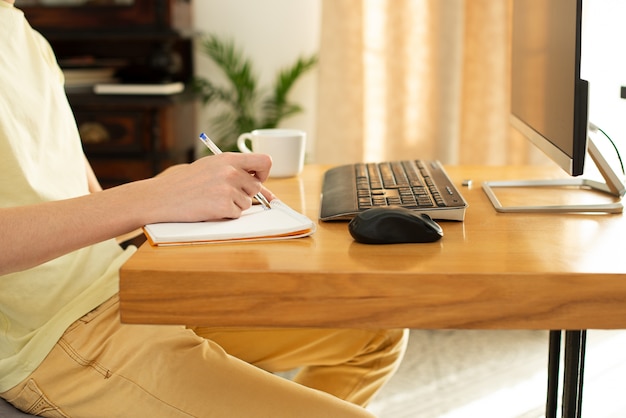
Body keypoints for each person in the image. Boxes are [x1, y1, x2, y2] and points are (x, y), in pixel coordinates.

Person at [0, 1, 408, 416]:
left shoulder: (23, 33)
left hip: (125, 285)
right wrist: (156, 195)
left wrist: (178, 192)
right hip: (52, 336)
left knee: (377, 329)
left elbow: (87, 202)